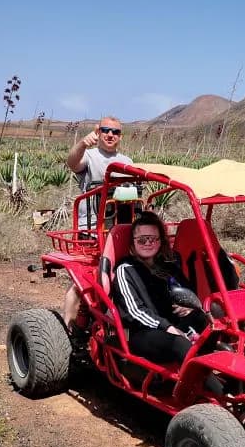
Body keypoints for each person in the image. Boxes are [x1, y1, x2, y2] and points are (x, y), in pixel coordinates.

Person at [64, 116, 133, 327]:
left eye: (115, 132)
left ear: (120, 136)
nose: (110, 135)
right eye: (106, 130)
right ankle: (69, 331)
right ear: (99, 132)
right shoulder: (90, 156)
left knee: (120, 276)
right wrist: (83, 143)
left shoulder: (127, 162)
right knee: (82, 281)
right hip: (92, 228)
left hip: (120, 228)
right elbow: (72, 163)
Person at [112, 212, 208, 365]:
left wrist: (188, 307)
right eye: (142, 240)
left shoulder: (167, 267)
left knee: (207, 319)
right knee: (179, 343)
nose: (148, 243)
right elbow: (135, 312)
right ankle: (220, 389)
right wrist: (167, 327)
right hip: (144, 333)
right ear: (132, 246)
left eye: (153, 239)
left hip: (173, 325)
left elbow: (186, 291)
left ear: (159, 242)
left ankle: (217, 373)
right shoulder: (125, 270)